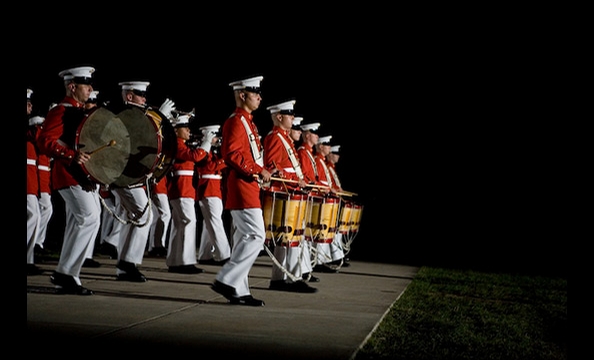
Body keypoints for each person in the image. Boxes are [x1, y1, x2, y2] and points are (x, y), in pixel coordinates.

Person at [36, 66, 100, 295]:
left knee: (82, 221)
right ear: (72, 86)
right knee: (89, 217)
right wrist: (72, 155)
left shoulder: (81, 111)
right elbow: (44, 142)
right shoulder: (60, 111)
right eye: (86, 85)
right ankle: (65, 273)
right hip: (67, 174)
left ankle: (68, 274)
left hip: (81, 175)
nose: (90, 88)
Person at [105, 80, 176, 282]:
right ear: (129, 96)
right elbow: (140, 137)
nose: (145, 99)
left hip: (132, 174)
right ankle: (127, 263)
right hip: (124, 173)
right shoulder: (124, 115)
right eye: (140, 94)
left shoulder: (137, 115)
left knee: (138, 215)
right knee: (144, 216)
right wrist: (159, 116)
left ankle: (125, 263)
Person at [211, 75, 271, 306]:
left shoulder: (247, 121)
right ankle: (226, 279)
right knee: (257, 236)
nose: (259, 96)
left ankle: (239, 290)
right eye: (255, 92)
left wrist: (262, 170)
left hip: (248, 184)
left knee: (244, 238)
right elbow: (232, 155)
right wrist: (258, 170)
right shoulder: (236, 121)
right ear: (243, 95)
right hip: (242, 185)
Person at [262, 100, 317, 293]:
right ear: (279, 117)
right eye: (289, 115)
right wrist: (295, 179)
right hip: (284, 192)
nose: (293, 118)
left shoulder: (283, 138)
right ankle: (293, 278)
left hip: (291, 193)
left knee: (289, 237)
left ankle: (279, 279)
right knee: (290, 237)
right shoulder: (275, 138)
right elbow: (273, 168)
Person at [165, 112, 213, 274]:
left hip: (182, 189)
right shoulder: (177, 144)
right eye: (184, 128)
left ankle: (174, 260)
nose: (188, 131)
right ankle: (185, 261)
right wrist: (206, 142)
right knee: (188, 222)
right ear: (175, 130)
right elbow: (195, 156)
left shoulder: (180, 144)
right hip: (181, 189)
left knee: (179, 224)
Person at [195, 125, 231, 266]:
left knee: (209, 223)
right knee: (215, 222)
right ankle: (224, 255)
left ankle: (205, 254)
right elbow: (209, 167)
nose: (218, 139)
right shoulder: (203, 151)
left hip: (214, 190)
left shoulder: (211, 151)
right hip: (209, 190)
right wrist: (226, 159)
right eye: (215, 136)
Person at [289, 117, 318, 283]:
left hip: (300, 193)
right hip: (293, 194)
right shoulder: (301, 151)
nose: (299, 132)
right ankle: (299, 272)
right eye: (297, 130)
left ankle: (304, 269)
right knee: (296, 235)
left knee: (299, 235)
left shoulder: (303, 151)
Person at [313, 135, 346, 271]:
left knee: (327, 231)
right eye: (327, 146)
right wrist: (328, 189)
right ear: (321, 147)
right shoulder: (318, 160)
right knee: (321, 231)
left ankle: (323, 259)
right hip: (320, 199)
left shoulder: (322, 162)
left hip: (326, 199)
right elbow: (317, 180)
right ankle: (318, 261)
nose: (330, 149)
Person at [81, 90, 102, 268]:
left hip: (91, 176)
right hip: (78, 174)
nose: (92, 106)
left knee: (93, 217)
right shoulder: (80, 120)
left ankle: (86, 255)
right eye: (89, 103)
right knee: (85, 218)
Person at [27, 88, 44, 275]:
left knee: (34, 215)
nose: (30, 106)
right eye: (27, 103)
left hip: (31, 177)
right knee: (33, 215)